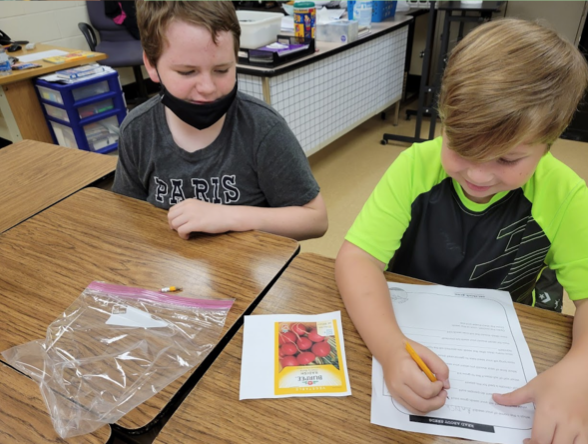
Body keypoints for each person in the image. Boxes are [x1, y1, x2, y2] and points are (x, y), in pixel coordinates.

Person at [336, 18, 588, 443]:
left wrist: (580, 371)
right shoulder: (415, 166)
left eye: (507, 159)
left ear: (550, 143)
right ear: (444, 120)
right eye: (461, 147)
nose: (478, 174)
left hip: (504, 350)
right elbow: (357, 258)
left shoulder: (566, 195)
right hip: (407, 328)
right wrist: (390, 349)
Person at [112, 1, 328, 241]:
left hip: (249, 261)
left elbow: (315, 220)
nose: (207, 88)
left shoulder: (263, 128)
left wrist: (231, 216)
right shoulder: (137, 130)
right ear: (151, 65)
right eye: (187, 72)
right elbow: (127, 212)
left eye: (222, 70)